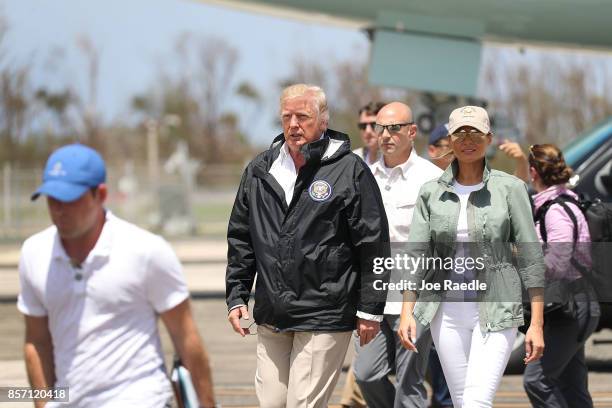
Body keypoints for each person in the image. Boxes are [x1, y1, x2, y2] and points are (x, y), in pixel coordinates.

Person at [225, 84, 390, 408]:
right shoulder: (260, 170)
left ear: (323, 120)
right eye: (287, 117)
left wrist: (370, 308)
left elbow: (373, 244)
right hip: (272, 313)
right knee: (272, 403)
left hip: (325, 314)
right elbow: (241, 237)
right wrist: (236, 295)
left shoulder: (349, 171)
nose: (293, 125)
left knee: (304, 404)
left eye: (303, 116)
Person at [18, 144, 216, 408]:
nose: (58, 209)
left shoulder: (146, 251)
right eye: (51, 199)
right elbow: (37, 341)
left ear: (100, 195)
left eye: (69, 199)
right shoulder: (34, 253)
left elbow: (186, 337)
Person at [398, 106, 546, 407]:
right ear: (450, 140)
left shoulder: (511, 189)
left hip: (497, 310)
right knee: (462, 400)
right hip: (446, 315)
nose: (468, 139)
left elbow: (531, 257)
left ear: (489, 138)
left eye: (475, 133)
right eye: (460, 133)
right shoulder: (430, 193)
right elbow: (416, 254)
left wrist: (537, 324)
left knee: (476, 402)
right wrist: (406, 312)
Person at [352, 102, 442, 408]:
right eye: (381, 128)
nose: (385, 135)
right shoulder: (363, 176)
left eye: (394, 128)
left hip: (414, 297)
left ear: (412, 132)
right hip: (373, 296)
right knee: (366, 374)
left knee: (409, 383)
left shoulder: (431, 179)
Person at [523, 143, 600, 407]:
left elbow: (557, 262)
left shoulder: (556, 210)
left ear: (533, 172)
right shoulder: (561, 201)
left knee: (537, 380)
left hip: (570, 308)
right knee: (571, 384)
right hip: (573, 305)